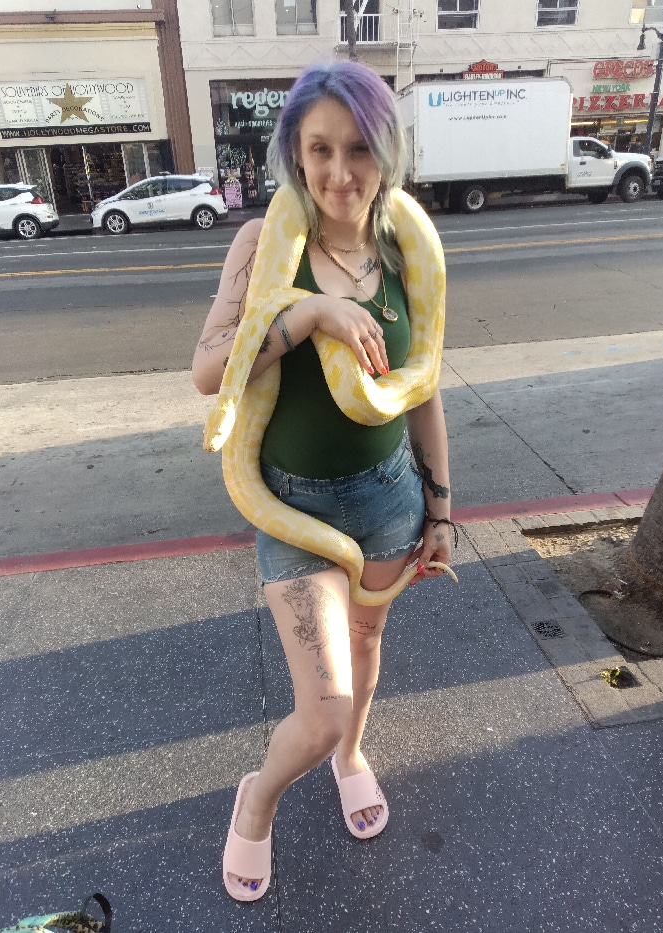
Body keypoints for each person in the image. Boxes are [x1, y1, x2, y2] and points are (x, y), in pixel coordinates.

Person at [192, 61, 452, 902]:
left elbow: (423, 386)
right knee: (322, 706)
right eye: (320, 150)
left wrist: (440, 508)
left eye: (359, 148)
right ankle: (259, 796)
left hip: (390, 498)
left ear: (386, 151)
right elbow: (207, 372)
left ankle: (351, 756)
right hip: (291, 503)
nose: (340, 172)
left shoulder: (404, 245)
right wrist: (306, 315)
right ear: (295, 155)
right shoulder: (264, 243)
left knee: (367, 652)